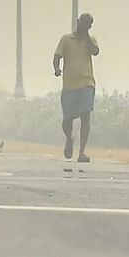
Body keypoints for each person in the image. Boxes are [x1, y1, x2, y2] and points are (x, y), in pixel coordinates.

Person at [53, 12, 100, 163]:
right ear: (78, 22)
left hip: (87, 83)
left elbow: (96, 52)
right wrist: (57, 69)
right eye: (83, 23)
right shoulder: (66, 39)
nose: (84, 26)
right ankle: (69, 138)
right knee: (68, 119)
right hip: (69, 85)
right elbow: (57, 56)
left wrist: (86, 36)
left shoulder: (91, 41)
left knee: (86, 116)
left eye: (88, 24)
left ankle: (82, 152)